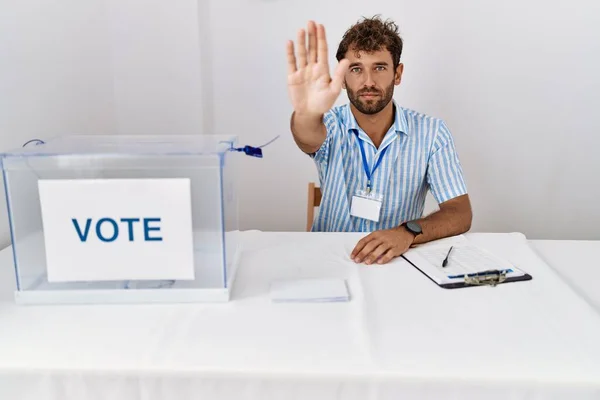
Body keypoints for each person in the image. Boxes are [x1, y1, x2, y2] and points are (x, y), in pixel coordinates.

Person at [286, 16, 472, 265]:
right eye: (356, 69)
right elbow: (306, 136)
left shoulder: (432, 133)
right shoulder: (329, 124)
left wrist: (407, 233)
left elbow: (460, 212)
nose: (369, 82)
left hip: (398, 262)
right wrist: (307, 112)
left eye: (380, 67)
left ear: (398, 73)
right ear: (342, 77)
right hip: (330, 261)